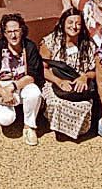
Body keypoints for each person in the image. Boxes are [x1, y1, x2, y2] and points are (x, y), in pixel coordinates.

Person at [0, 12, 44, 144]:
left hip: (21, 84)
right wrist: (3, 92)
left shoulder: (29, 47)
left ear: (22, 31)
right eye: (9, 31)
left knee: (34, 92)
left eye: (16, 31)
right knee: (6, 119)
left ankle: (29, 126)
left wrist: (12, 88)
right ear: (4, 33)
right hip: (1, 85)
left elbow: (32, 76)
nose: (13, 35)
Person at [40, 8, 98, 141]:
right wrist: (58, 81)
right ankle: (58, 128)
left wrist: (85, 77)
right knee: (56, 102)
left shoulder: (88, 44)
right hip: (54, 81)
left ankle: (76, 131)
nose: (74, 26)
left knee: (84, 105)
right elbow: (42, 69)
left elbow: (96, 71)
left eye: (78, 23)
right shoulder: (51, 41)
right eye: (70, 22)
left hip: (79, 82)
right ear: (63, 23)